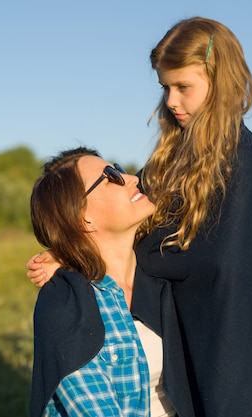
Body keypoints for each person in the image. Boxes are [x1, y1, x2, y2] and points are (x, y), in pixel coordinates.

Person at [28, 17, 252, 416]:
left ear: (219, 83)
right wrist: (72, 250)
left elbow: (214, 259)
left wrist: (76, 253)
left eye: (183, 87)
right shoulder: (172, 156)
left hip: (239, 335)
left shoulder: (242, 159)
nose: (171, 101)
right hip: (185, 337)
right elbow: (124, 227)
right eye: (165, 87)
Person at [28, 147, 190, 417]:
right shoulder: (65, 303)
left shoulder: (163, 274)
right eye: (110, 177)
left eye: (119, 169)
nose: (131, 178)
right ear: (83, 218)